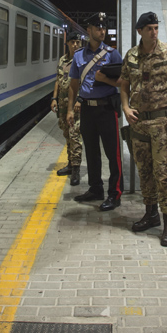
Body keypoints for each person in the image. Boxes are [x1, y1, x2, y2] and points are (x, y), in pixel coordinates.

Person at [120, 12, 167, 247]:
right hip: (138, 123)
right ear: (140, 31)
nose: (154, 32)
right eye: (149, 28)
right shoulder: (131, 56)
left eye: (156, 28)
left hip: (161, 123)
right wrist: (126, 107)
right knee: (144, 171)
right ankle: (151, 214)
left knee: (163, 174)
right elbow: (124, 84)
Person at [67, 12, 123, 211]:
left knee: (112, 153)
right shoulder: (79, 56)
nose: (102, 31)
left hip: (107, 109)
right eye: (98, 28)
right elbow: (73, 84)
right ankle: (95, 188)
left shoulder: (112, 54)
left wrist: (104, 80)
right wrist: (70, 110)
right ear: (89, 30)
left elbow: (123, 82)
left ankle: (115, 194)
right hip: (87, 111)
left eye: (104, 28)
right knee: (91, 152)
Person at [52, 34, 83, 186]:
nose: (76, 45)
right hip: (63, 104)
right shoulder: (63, 60)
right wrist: (54, 98)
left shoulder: (83, 60)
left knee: (74, 134)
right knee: (66, 132)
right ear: (68, 44)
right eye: (73, 42)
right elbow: (58, 80)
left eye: (78, 42)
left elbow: (85, 83)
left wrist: (79, 100)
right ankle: (70, 163)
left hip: (75, 104)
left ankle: (76, 168)